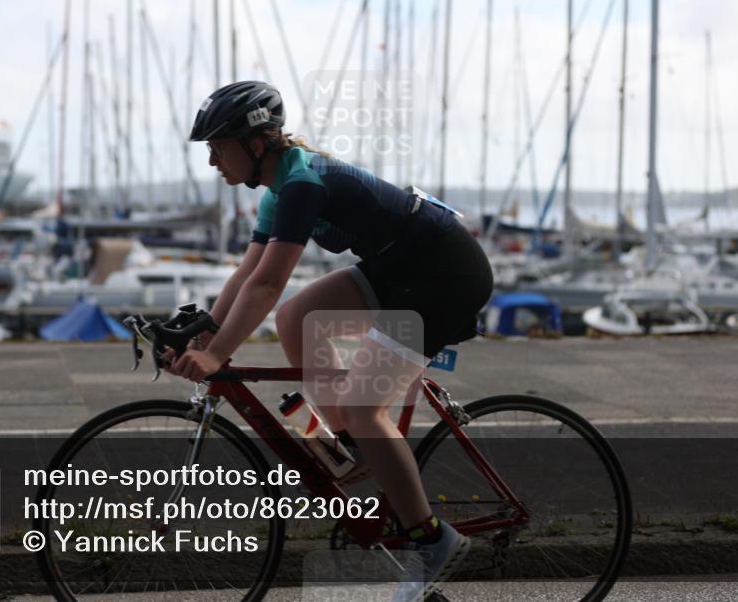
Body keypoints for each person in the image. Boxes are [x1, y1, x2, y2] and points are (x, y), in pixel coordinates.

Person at [166, 80, 493, 600]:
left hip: (444, 272)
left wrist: (217, 353)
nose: (212, 162)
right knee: (296, 317)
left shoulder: (301, 185)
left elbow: (269, 282)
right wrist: (202, 334)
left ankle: (432, 540)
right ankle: (350, 449)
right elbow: (247, 278)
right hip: (399, 266)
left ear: (254, 146)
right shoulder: (278, 188)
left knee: (366, 408)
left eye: (217, 148)